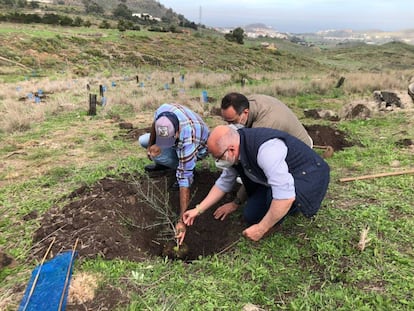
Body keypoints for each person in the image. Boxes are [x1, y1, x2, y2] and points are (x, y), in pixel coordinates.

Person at [182, 125, 330, 242]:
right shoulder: (235, 151)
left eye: (218, 157)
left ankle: (291, 210)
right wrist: (198, 209)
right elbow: (223, 183)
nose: (218, 162)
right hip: (275, 180)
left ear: (231, 150)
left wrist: (261, 228)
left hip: (308, 174)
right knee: (251, 215)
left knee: (277, 198)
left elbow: (285, 196)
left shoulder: (266, 151)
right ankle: (275, 212)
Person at [219, 92, 314, 213]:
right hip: (282, 142)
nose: (230, 125)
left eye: (232, 121)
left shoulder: (264, 127)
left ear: (245, 113)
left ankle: (292, 205)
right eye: (227, 121)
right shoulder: (248, 103)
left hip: (300, 157)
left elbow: (252, 165)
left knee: (267, 202)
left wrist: (237, 200)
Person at [138, 103, 209, 244]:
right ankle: (164, 164)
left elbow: (184, 182)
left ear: (177, 132)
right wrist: (152, 144)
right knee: (144, 141)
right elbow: (154, 125)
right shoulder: (163, 112)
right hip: (180, 136)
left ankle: (187, 165)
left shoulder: (189, 139)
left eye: (168, 140)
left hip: (199, 148)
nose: (163, 144)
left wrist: (182, 220)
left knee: (183, 171)